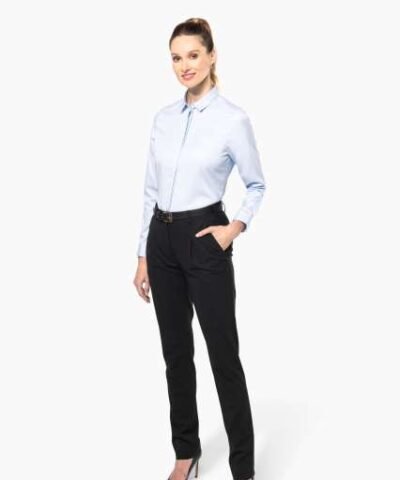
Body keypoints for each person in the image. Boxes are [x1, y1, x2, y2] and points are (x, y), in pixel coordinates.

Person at [133, 17, 266, 480]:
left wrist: (233, 229)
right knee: (175, 354)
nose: (184, 65)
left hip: (205, 237)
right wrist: (142, 254)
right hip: (162, 240)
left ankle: (243, 468)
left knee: (223, 356)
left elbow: (256, 184)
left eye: (193, 55)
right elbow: (150, 189)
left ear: (211, 56)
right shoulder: (163, 119)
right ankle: (185, 453)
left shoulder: (233, 119)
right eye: (176, 57)